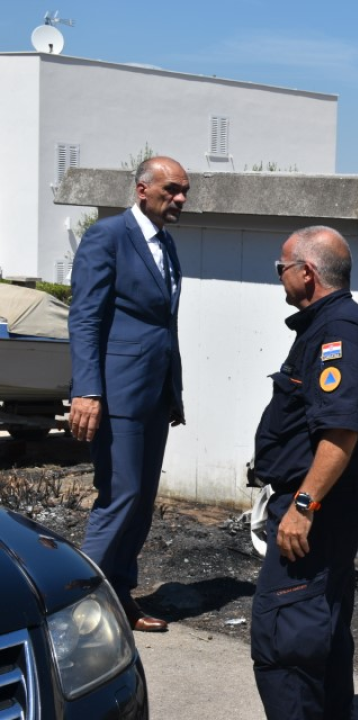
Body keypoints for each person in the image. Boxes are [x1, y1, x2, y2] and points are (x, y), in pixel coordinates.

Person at [250, 226, 358, 720]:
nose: (280, 277)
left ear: (307, 273)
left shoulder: (340, 334)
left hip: (316, 509)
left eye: (281, 268)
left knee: (286, 639)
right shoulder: (330, 326)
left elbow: (340, 434)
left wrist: (303, 507)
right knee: (320, 629)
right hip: (324, 505)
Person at [68, 156, 189, 632]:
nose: (180, 198)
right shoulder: (109, 235)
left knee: (141, 502)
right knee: (121, 495)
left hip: (154, 393)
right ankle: (74, 608)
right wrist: (87, 391)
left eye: (184, 191)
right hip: (115, 392)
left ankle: (118, 598)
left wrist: (172, 390)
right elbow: (85, 317)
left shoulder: (167, 244)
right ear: (143, 189)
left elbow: (162, 323)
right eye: (172, 189)